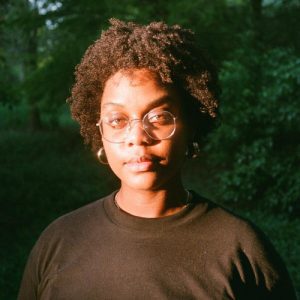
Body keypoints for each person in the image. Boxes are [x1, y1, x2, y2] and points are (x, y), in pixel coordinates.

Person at [18, 18, 296, 300]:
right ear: (98, 130)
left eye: (159, 117)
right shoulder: (59, 241)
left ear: (191, 123)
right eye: (117, 120)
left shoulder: (242, 249)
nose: (137, 137)